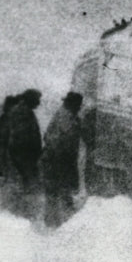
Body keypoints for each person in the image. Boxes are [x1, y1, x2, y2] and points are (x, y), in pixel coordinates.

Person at [40, 92, 84, 227]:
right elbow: (54, 140)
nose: (79, 108)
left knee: (57, 194)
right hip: (57, 162)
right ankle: (57, 226)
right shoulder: (65, 117)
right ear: (72, 104)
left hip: (60, 162)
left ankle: (55, 224)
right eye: (78, 105)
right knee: (57, 194)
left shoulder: (71, 117)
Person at [4, 89, 43, 218]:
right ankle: (18, 216)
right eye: (37, 100)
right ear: (30, 99)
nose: (39, 103)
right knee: (22, 188)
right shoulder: (22, 112)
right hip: (22, 159)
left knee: (23, 188)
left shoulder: (24, 111)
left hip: (24, 158)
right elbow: (20, 139)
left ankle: (20, 214)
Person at [0, 95, 19, 206]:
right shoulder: (6, 121)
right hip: (6, 159)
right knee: (8, 187)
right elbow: (1, 144)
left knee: (8, 187)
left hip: (5, 158)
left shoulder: (5, 119)